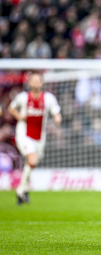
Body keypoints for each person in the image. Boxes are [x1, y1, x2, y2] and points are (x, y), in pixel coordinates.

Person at [8, 72, 62, 205]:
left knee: (33, 163)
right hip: (24, 134)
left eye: (39, 81)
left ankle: (23, 190)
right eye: (34, 81)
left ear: (42, 83)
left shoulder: (48, 98)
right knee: (32, 160)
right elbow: (11, 108)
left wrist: (57, 118)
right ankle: (20, 190)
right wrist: (19, 116)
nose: (36, 83)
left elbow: (56, 111)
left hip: (40, 136)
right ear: (30, 83)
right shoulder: (23, 97)